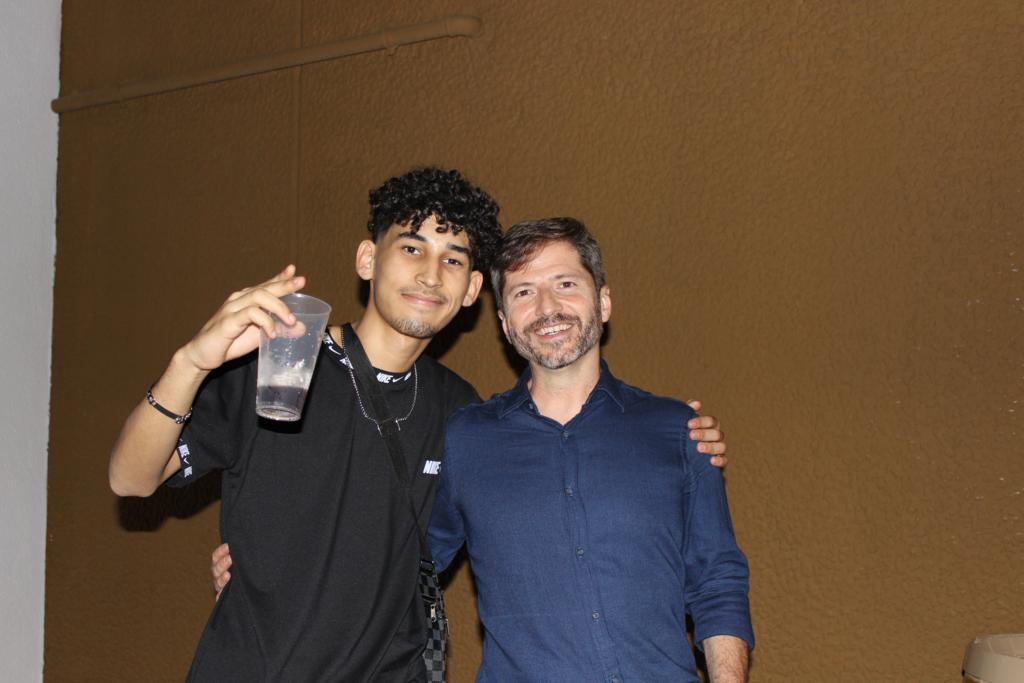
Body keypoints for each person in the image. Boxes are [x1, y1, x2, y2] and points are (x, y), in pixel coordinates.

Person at [110, 169, 729, 682]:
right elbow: (131, 480)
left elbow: (451, 533)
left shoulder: (461, 413)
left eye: (452, 258)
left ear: (472, 290)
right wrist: (191, 363)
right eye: (411, 248)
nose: (431, 274)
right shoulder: (278, 360)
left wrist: (677, 440)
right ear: (367, 259)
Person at [426, 217, 753, 682]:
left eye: (565, 284)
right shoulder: (466, 439)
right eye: (524, 292)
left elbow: (717, 582)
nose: (547, 307)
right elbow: (406, 573)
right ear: (504, 323)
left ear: (603, 301)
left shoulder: (678, 430)